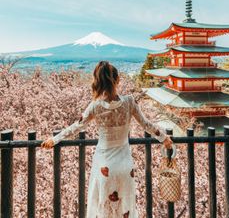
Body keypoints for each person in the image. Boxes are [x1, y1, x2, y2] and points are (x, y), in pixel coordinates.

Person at [41, 60, 173, 217]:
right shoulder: (129, 102)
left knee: (102, 208)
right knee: (126, 207)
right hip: (125, 166)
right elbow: (146, 124)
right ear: (117, 80)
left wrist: (54, 140)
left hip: (104, 166)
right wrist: (164, 138)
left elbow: (76, 126)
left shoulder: (95, 106)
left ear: (97, 82)